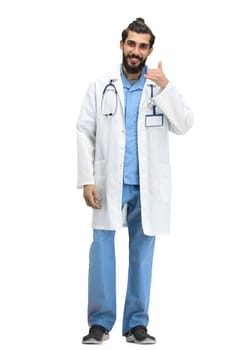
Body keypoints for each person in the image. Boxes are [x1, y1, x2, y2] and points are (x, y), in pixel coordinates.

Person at [76, 17, 193, 345]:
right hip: (108, 182)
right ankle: (100, 323)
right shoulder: (102, 85)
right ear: (122, 45)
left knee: (142, 254)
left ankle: (136, 324)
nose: (136, 51)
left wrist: (167, 86)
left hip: (147, 186)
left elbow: (184, 125)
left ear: (150, 50)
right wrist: (87, 180)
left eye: (143, 46)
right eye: (131, 44)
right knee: (101, 251)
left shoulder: (159, 87)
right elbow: (84, 130)